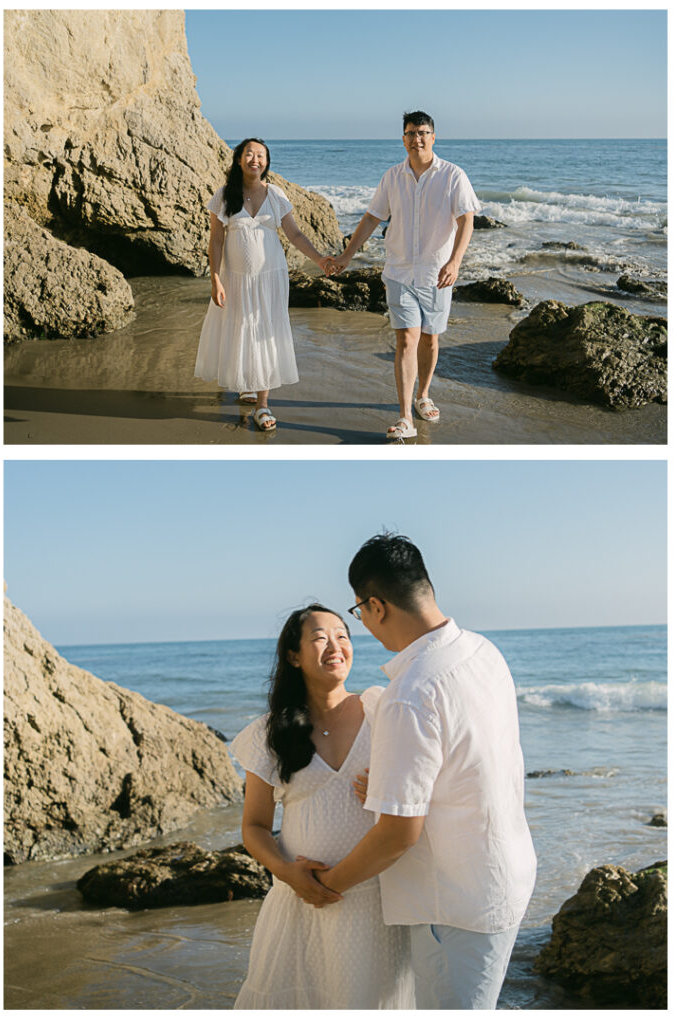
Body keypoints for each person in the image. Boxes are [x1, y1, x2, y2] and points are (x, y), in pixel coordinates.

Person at [311, 534, 537, 1010]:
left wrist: (327, 885)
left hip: (454, 901)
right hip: (505, 874)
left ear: (376, 605)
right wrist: (398, 784)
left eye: (357, 613)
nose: (364, 625)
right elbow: (480, 759)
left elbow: (398, 834)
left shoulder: (410, 692)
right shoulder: (482, 652)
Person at [228, 603, 415, 1009]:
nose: (335, 646)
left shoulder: (382, 710)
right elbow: (255, 826)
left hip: (376, 901)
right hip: (300, 901)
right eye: (319, 638)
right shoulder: (269, 733)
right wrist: (288, 874)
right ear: (293, 656)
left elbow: (424, 796)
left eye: (343, 636)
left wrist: (387, 795)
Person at [331, 112, 481, 440]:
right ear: (403, 139)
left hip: (437, 271)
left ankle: (423, 395)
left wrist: (455, 262)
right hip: (399, 271)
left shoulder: (453, 175)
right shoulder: (392, 177)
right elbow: (372, 218)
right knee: (405, 339)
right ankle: (404, 418)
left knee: (430, 337)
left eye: (423, 133)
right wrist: (346, 256)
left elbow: (466, 220)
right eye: (411, 133)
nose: (417, 139)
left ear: (434, 136)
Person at [195, 138, 334, 432]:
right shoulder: (223, 196)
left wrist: (320, 260)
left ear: (267, 162)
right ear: (238, 159)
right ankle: (247, 382)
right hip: (235, 278)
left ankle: (262, 404)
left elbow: (294, 235)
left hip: (271, 276)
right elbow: (216, 241)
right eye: (249, 154)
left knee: (264, 332)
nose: (255, 159)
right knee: (241, 327)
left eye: (261, 155)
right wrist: (215, 279)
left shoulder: (276, 195)